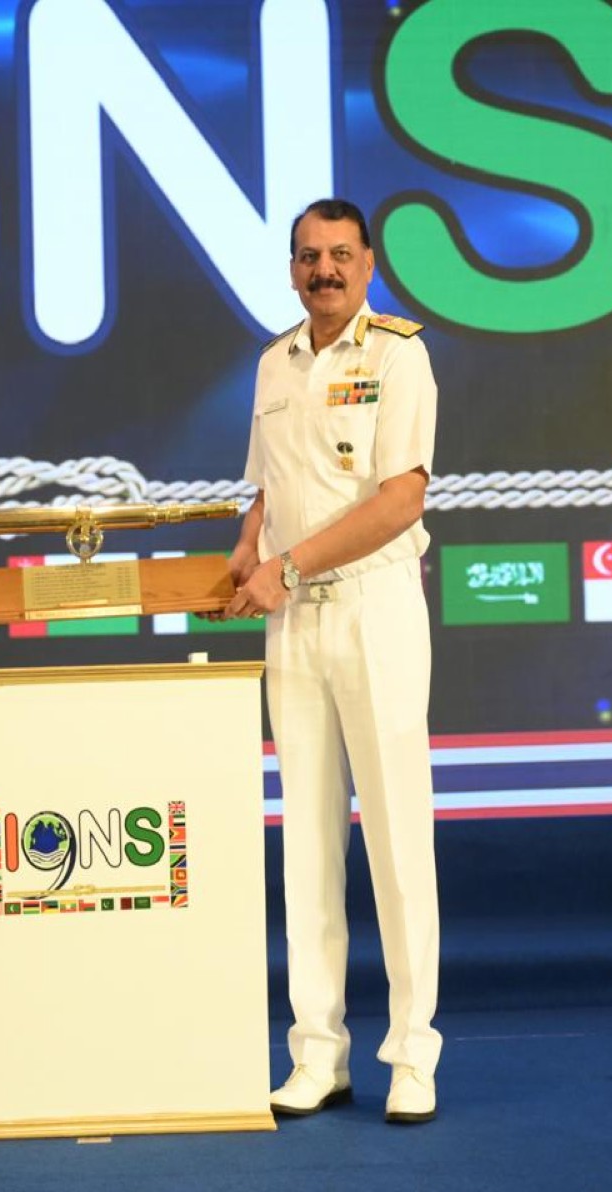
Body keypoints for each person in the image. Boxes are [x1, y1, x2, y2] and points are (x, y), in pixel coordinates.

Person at [224, 199, 441, 1124]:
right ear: (291, 269)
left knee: (396, 837)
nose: (325, 271)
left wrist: (287, 564)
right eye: (309, 256)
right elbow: (267, 489)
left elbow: (400, 499)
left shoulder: (397, 355)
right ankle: (318, 1052)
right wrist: (249, 550)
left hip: (372, 608)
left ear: (369, 263)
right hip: (294, 623)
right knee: (306, 843)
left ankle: (412, 1055)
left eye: (341, 255)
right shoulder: (275, 362)